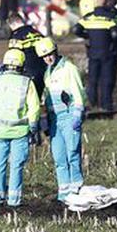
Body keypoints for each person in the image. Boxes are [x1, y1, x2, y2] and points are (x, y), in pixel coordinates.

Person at [0, 48, 40, 208]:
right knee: (17, 166)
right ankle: (14, 201)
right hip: (20, 131)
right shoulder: (27, 83)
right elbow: (34, 107)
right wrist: (33, 127)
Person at [37, 37, 85, 200]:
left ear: (55, 51)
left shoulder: (69, 68)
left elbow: (78, 92)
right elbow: (46, 97)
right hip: (54, 120)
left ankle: (76, 188)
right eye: (44, 57)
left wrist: (77, 115)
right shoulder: (47, 73)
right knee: (59, 156)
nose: (48, 58)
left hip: (69, 116)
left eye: (50, 54)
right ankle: (64, 192)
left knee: (73, 153)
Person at [74, 0, 117, 113]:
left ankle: (91, 104)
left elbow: (76, 29)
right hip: (107, 54)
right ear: (105, 3)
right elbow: (115, 34)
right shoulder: (110, 17)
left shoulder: (88, 17)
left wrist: (87, 36)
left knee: (92, 80)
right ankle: (106, 105)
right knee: (106, 80)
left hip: (93, 53)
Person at [6, 13, 46, 95]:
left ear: (12, 24)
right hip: (43, 69)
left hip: (27, 72)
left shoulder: (16, 36)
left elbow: (14, 57)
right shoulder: (37, 33)